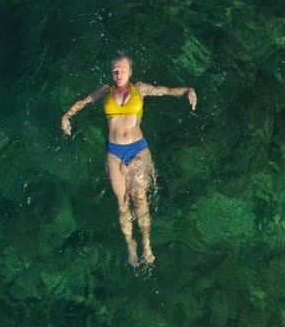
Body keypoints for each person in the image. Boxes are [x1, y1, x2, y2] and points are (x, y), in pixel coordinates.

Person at [61, 54, 197, 267]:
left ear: (130, 72)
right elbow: (84, 102)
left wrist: (188, 90)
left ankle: (147, 244)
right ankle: (130, 245)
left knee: (140, 198)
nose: (118, 73)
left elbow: (166, 91)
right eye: (115, 70)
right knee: (122, 202)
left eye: (122, 70)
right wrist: (66, 116)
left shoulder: (140, 89)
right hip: (114, 153)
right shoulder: (105, 91)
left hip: (138, 150)